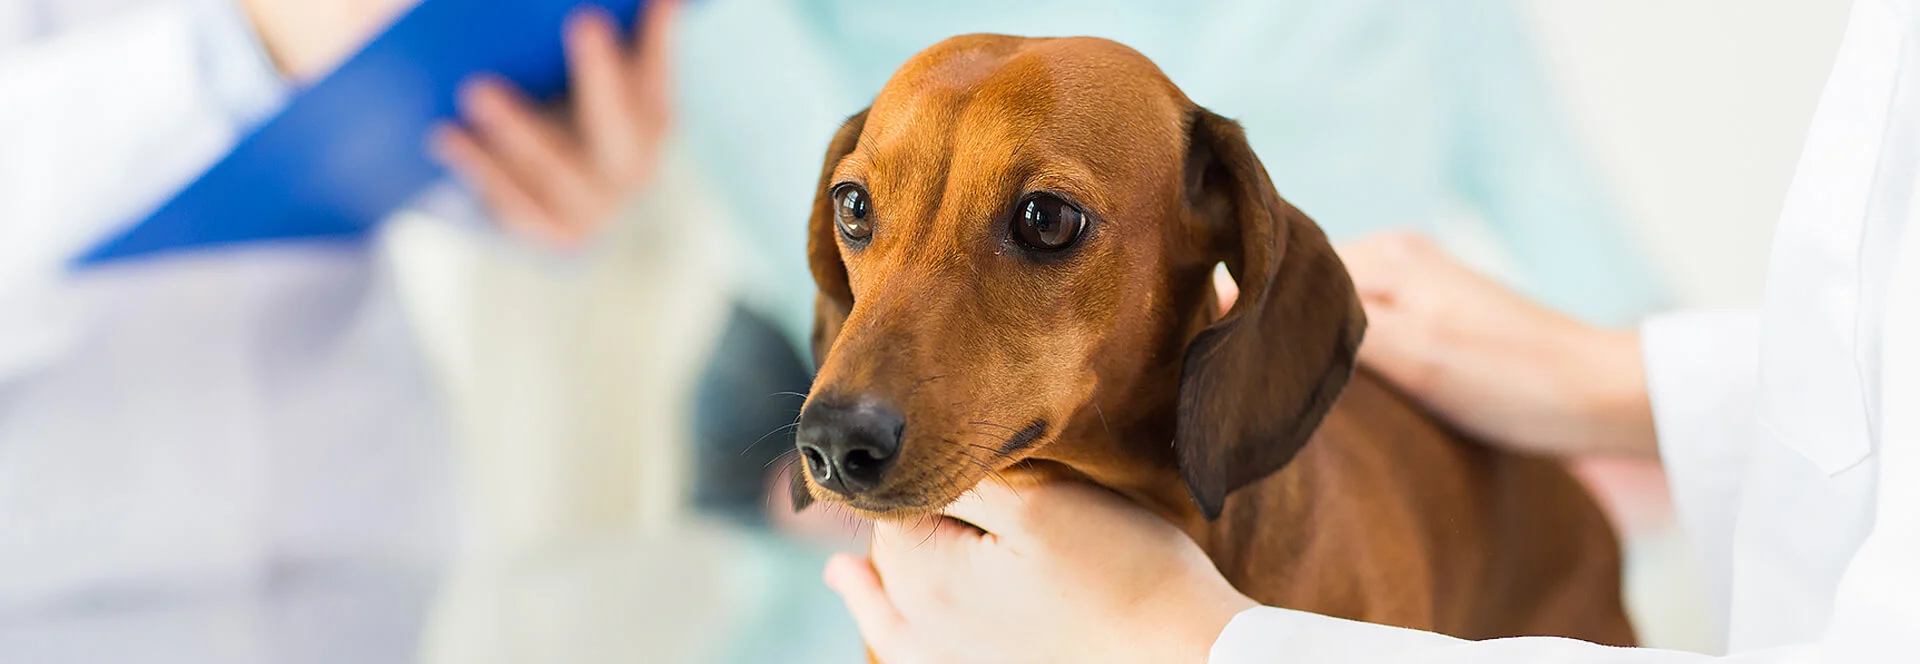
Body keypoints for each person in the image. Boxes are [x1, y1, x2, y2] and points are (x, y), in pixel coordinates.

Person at [822, 0, 1920, 661]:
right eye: (860, 210)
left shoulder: (1341, 573)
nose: (835, 424)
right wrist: (1619, 381)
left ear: (1220, 243)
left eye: (1042, 223)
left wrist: (1196, 636)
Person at [0, 0, 675, 660]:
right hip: (52, 592)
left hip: (370, 560)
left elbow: (377, 130)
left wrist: (548, 157)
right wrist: (243, 47)